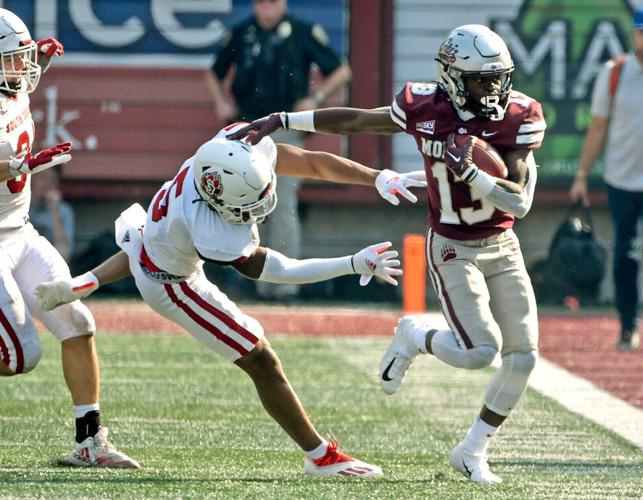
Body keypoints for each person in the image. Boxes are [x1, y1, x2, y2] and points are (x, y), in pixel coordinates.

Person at [230, 24, 547, 484]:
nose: (493, 89)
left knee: (524, 356)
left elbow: (518, 200)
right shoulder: (423, 106)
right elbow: (355, 120)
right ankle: (415, 337)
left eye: (498, 78)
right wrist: (283, 119)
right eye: (481, 79)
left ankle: (472, 450)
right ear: (454, 77)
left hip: (502, 242)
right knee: (482, 352)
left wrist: (470, 172)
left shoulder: (518, 115)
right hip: (453, 246)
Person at [34, 126, 426, 476]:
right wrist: (352, 262)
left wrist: (375, 177)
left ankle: (86, 281)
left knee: (151, 246)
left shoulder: (235, 146)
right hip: (172, 284)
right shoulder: (210, 229)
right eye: (248, 206)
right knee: (261, 359)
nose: (259, 210)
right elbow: (279, 270)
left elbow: (307, 161)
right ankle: (319, 456)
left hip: (154, 245)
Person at [0, 8, 138, 468]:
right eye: (13, 59)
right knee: (21, 354)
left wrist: (40, 55)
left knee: (76, 321)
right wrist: (22, 166)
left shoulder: (13, 83)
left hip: (19, 231)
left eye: (21, 58)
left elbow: (23, 78)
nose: (23, 68)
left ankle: (90, 442)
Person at [206, 0, 352, 302]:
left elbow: (340, 70)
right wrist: (221, 100)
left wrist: (316, 97)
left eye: (272, 2)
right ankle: (250, 280)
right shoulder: (241, 32)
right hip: (246, 129)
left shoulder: (302, 31)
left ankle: (284, 285)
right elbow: (213, 72)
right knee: (241, 201)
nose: (266, 9)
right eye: (261, 2)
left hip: (285, 127)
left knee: (282, 204)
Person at [569, 10, 643, 351]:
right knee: (626, 255)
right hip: (622, 180)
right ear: (634, 35)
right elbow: (598, 127)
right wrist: (582, 175)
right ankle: (628, 326)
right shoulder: (614, 74)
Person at [29, 167, 74, 263]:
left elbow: (65, 250)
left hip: (45, 262)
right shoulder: (17, 204)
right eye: (43, 178)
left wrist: (54, 211)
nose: (47, 184)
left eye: (52, 180)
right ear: (32, 178)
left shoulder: (63, 210)